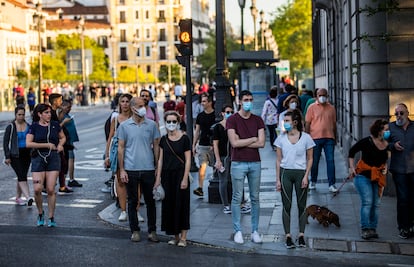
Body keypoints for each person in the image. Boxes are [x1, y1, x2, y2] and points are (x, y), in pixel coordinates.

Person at [117, 97, 161, 242]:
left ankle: (152, 231)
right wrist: (122, 169)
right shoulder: (124, 126)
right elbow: (121, 148)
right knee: (133, 201)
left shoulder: (152, 125)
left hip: (148, 168)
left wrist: (156, 167)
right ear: (133, 108)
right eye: (141, 106)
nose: (144, 108)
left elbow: (156, 146)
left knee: (150, 201)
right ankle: (135, 230)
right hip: (131, 169)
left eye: (145, 106)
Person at [227, 90, 265, 244]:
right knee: (237, 197)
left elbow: (261, 143)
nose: (248, 102)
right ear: (240, 101)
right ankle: (238, 231)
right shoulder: (232, 120)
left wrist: (243, 141)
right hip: (238, 163)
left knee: (255, 198)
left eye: (250, 99)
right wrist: (252, 139)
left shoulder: (258, 120)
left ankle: (255, 231)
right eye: (246, 99)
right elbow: (234, 143)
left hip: (255, 162)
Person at [275, 109, 315, 248]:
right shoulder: (280, 138)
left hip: (301, 173)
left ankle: (301, 235)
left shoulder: (306, 138)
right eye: (284, 121)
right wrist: (278, 179)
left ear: (295, 122)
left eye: (287, 121)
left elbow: (310, 158)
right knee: (286, 206)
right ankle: (288, 236)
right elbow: (278, 160)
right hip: (286, 173)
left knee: (301, 206)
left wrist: (306, 176)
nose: (284, 123)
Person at [348, 119, 390, 240]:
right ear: (379, 130)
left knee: (376, 204)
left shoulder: (387, 144)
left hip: (377, 176)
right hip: (363, 176)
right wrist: (351, 168)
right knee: (367, 202)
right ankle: (365, 229)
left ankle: (373, 228)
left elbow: (384, 160)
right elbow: (352, 151)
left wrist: (385, 168)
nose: (388, 132)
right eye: (386, 130)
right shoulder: (367, 141)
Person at [26, 103, 66, 227]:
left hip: (53, 158)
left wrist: (60, 145)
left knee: (50, 189)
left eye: (49, 112)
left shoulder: (55, 125)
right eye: (46, 113)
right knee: (37, 189)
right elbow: (28, 143)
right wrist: (45, 145)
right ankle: (40, 212)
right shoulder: (34, 126)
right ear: (39, 114)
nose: (49, 115)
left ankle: (51, 216)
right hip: (38, 157)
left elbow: (62, 137)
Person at [155, 111, 191, 247]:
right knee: (169, 206)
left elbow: (188, 160)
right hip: (166, 176)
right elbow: (160, 160)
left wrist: (185, 178)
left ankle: (183, 237)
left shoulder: (185, 138)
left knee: (182, 205)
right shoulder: (164, 140)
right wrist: (158, 179)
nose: (171, 124)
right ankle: (175, 236)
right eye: (168, 121)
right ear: (165, 123)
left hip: (180, 175)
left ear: (178, 122)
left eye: (174, 121)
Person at [104, 93, 133, 222]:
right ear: (119, 104)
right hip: (118, 152)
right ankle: (123, 210)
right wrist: (107, 155)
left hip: (132, 152)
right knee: (120, 181)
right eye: (123, 101)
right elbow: (110, 137)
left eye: (128, 101)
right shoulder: (116, 119)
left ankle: (136, 211)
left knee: (134, 182)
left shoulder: (135, 118)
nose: (125, 104)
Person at [388, 103, 414, 239]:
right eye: (396, 113)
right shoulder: (390, 127)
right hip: (399, 170)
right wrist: (392, 145)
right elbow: (382, 143)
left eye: (401, 113)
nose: (398, 116)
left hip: (413, 168)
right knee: (403, 199)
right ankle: (403, 227)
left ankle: (412, 225)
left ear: (407, 113)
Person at [305, 88, 338, 192]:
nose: (322, 97)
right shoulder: (312, 107)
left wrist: (335, 137)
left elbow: (334, 124)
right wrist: (307, 137)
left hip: (329, 138)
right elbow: (307, 123)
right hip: (315, 138)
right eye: (320, 95)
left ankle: (332, 184)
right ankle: (313, 181)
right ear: (316, 96)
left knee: (330, 161)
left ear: (327, 96)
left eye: (324, 95)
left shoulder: (331, 108)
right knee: (314, 161)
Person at [3, 105, 33, 206]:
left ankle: (18, 197)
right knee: (21, 175)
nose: (21, 116)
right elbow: (5, 143)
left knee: (22, 176)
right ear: (15, 115)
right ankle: (28, 197)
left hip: (27, 154)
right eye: (19, 114)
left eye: (23, 114)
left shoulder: (28, 126)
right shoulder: (11, 127)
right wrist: (7, 156)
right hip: (15, 155)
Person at [49, 93, 74, 195]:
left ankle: (61, 185)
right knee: (60, 164)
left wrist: (62, 113)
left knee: (62, 164)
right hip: (54, 143)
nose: (61, 102)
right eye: (60, 100)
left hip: (59, 142)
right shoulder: (50, 112)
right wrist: (64, 122)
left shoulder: (55, 112)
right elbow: (54, 127)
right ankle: (53, 185)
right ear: (55, 101)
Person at [192, 93, 216, 197]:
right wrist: (194, 144)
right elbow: (197, 131)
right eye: (202, 101)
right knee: (202, 166)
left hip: (214, 145)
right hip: (203, 145)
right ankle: (200, 188)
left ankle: (217, 185)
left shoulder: (217, 115)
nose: (202, 103)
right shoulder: (200, 116)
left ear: (210, 102)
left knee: (216, 166)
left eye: (205, 101)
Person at [213, 105, 234, 214]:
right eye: (227, 112)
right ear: (222, 113)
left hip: (233, 157)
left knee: (236, 179)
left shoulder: (234, 126)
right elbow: (215, 144)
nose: (229, 113)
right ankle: (225, 204)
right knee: (223, 181)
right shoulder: (218, 127)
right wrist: (217, 160)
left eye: (231, 111)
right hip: (222, 157)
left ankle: (240, 203)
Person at [59, 99, 81, 188]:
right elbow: (57, 128)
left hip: (69, 142)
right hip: (65, 143)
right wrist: (64, 122)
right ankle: (66, 182)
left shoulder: (66, 115)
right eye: (68, 107)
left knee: (69, 161)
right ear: (63, 106)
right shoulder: (61, 116)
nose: (69, 109)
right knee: (67, 162)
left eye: (70, 107)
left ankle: (69, 180)